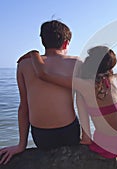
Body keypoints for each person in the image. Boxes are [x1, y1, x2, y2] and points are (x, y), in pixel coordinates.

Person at [28, 46, 117, 158]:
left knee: (81, 98)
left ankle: (86, 137)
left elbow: (43, 75)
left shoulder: (83, 85)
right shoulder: (115, 79)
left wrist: (34, 54)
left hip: (106, 138)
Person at [0, 20, 82, 164]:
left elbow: (23, 107)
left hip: (41, 135)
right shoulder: (76, 63)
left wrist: (21, 145)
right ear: (66, 43)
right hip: (68, 131)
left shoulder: (24, 64)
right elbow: (84, 104)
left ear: (43, 41)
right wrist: (87, 137)